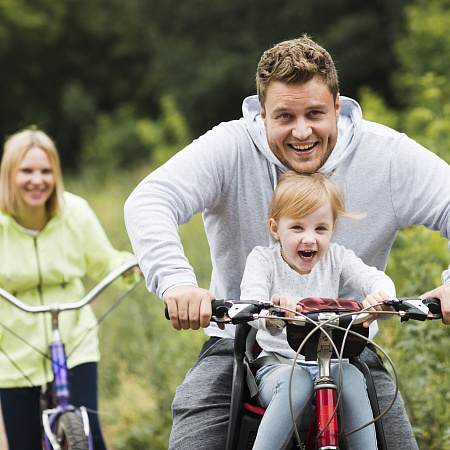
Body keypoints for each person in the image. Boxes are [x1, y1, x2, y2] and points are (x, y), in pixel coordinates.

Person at [124, 35, 450, 450]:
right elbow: (150, 200)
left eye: (315, 113)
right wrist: (177, 282)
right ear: (262, 115)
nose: (301, 132)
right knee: (196, 431)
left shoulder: (387, 156)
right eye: (284, 116)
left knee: (397, 440)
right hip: (244, 342)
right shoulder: (231, 147)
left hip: (349, 345)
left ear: (337, 107)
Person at [0, 127, 140, 449]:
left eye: (46, 171)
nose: (38, 180)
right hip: (13, 350)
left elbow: (104, 261)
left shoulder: (74, 212)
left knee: (89, 437)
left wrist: (130, 265)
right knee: (23, 442)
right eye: (27, 171)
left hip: (74, 342)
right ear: (10, 174)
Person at [241, 171, 395, 449]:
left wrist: (381, 298)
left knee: (352, 378)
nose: (310, 239)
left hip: (330, 361)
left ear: (333, 228)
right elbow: (252, 302)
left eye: (320, 229)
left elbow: (373, 277)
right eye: (297, 228)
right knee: (296, 384)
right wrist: (272, 314)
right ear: (276, 229)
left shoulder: (337, 258)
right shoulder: (263, 260)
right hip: (278, 364)